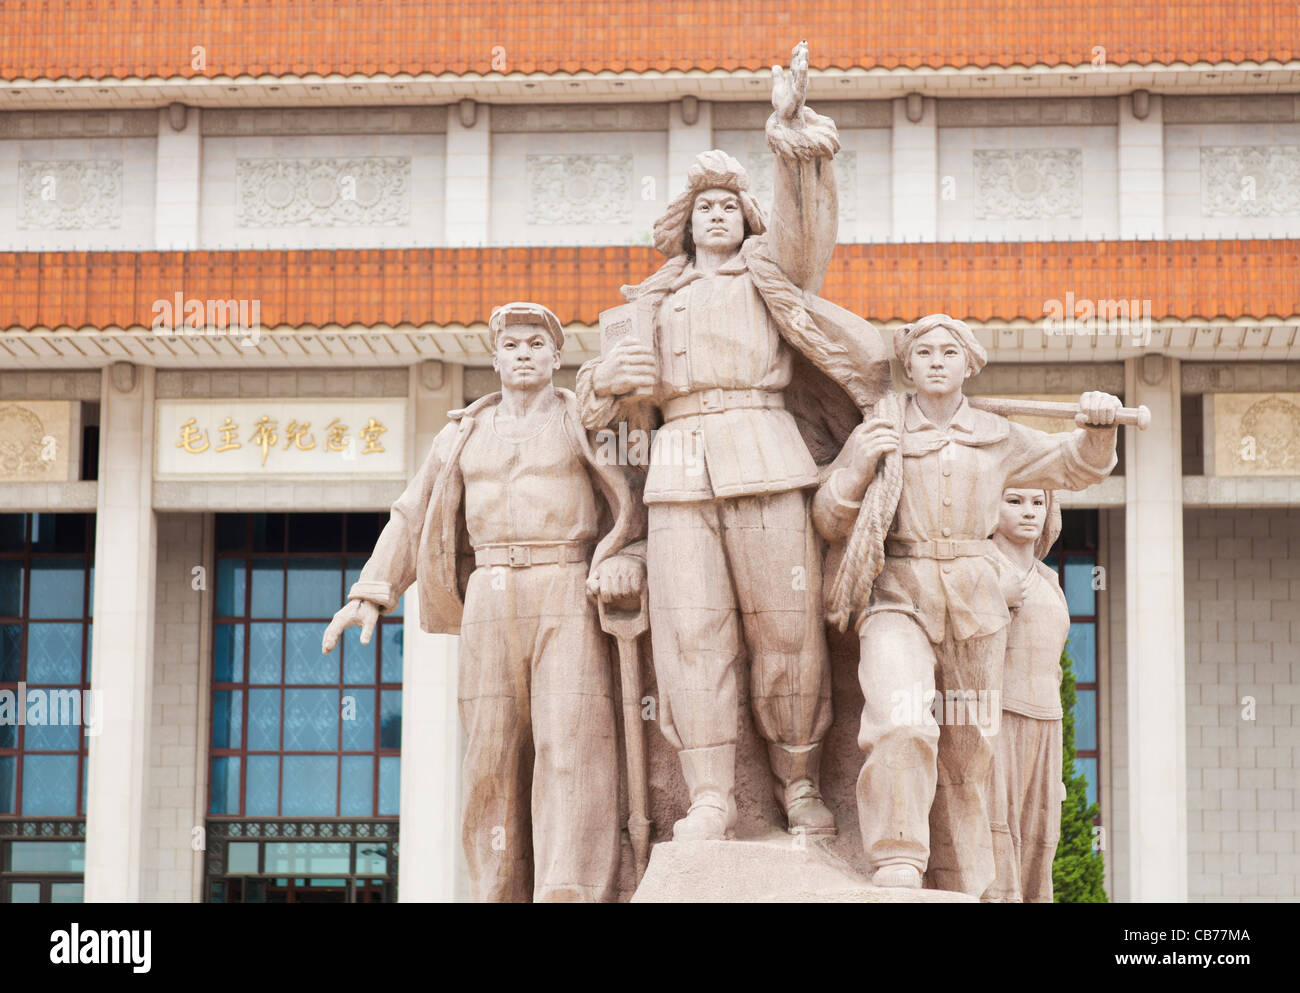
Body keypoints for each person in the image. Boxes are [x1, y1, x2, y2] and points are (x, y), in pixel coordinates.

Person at [576, 42, 889, 841]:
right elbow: (592, 410)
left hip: (764, 451)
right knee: (692, 638)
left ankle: (800, 782)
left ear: (745, 217)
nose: (717, 216)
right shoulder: (645, 304)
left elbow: (802, 230)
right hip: (679, 469)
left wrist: (784, 136)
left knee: (785, 628)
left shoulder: (768, 276)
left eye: (729, 205)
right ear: (685, 223)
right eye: (704, 207)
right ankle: (710, 791)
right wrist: (611, 382)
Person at [322, 301, 646, 902]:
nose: (524, 354)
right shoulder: (461, 434)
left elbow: (637, 501)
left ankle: (566, 893)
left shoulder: (585, 423)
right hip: (490, 596)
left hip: (565, 584)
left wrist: (630, 558)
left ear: (556, 356)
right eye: (513, 345)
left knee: (569, 749)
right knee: (490, 760)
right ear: (495, 358)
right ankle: (497, 893)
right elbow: (412, 512)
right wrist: (372, 591)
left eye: (536, 344)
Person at [812, 312, 1118, 896]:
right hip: (898, 592)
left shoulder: (997, 435)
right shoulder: (881, 428)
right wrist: (854, 468)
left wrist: (1098, 429)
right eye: (923, 351)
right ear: (908, 365)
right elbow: (828, 518)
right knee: (901, 721)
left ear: (968, 364)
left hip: (974, 603)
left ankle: (961, 878)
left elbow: (1073, 464)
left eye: (948, 352)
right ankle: (898, 858)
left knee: (970, 752)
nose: (934, 360)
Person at [985, 487, 1069, 903]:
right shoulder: (982, 569)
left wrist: (1056, 773)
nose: (1029, 513)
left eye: (1038, 503)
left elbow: (1053, 668)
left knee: (1041, 839)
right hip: (997, 718)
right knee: (997, 833)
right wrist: (992, 601)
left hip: (1046, 722)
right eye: (1015, 501)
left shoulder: (1050, 581)